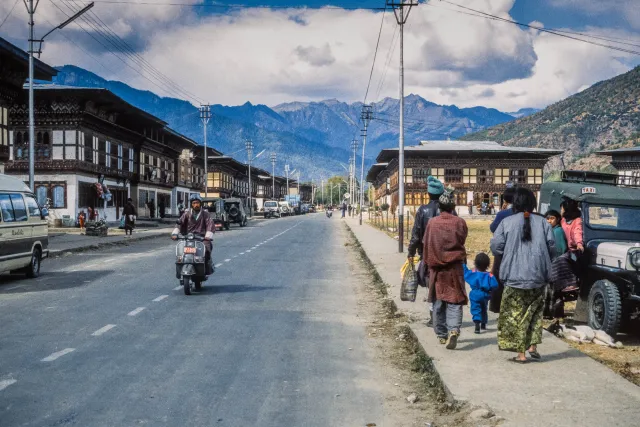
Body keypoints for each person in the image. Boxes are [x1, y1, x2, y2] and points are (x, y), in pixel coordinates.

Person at [490, 188, 555, 363]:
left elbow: (496, 247)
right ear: (533, 204)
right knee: (534, 313)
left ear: (515, 204)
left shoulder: (506, 222)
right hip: (538, 277)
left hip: (514, 276)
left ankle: (521, 355)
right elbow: (552, 247)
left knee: (515, 315)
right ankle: (532, 345)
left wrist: (509, 252)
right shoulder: (544, 223)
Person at [424, 186, 469, 350]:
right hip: (454, 268)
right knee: (454, 301)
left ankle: (442, 334)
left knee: (438, 302)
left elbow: (426, 244)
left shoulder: (432, 223)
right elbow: (462, 239)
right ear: (453, 207)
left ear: (439, 207)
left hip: (436, 268)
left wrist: (427, 263)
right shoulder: (460, 222)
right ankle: (454, 330)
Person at [408, 176, 445, 326]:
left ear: (428, 194)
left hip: (427, 254)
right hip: (445, 254)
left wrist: (410, 251)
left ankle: (434, 317)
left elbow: (416, 234)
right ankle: (445, 316)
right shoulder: (448, 209)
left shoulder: (423, 210)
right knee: (444, 285)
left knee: (431, 285)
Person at [488, 184, 517, 313]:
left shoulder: (503, 214)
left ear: (505, 200)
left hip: (503, 251)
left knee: (499, 277)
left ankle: (496, 305)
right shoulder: (523, 213)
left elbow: (493, 228)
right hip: (518, 251)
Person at [172, 194, 216, 275]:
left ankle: (206, 267)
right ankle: (181, 266)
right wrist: (175, 233)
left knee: (206, 250)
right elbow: (180, 223)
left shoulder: (205, 214)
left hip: (202, 238)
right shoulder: (187, 213)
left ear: (200, 203)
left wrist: (207, 236)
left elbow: (210, 224)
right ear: (191, 204)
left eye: (197, 203)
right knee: (181, 253)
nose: (196, 205)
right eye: (194, 203)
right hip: (189, 237)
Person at [465, 253, 499, 334]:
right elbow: (495, 284)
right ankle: (483, 323)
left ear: (475, 263)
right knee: (484, 308)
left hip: (475, 294)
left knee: (476, 308)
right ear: (487, 265)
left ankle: (477, 324)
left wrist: (463, 264)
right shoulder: (489, 275)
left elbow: (465, 273)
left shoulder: (473, 272)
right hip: (485, 294)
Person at [545, 209, 569, 319]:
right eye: (547, 218)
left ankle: (554, 313)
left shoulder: (557, 231)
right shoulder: (550, 230)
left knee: (554, 291)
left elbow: (560, 249)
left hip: (555, 264)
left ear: (557, 219)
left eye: (552, 218)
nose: (549, 221)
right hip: (551, 264)